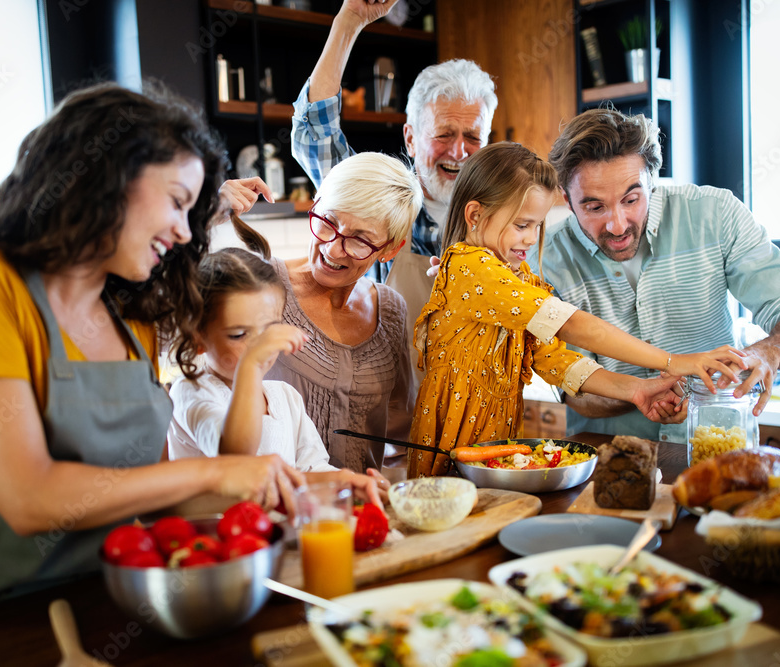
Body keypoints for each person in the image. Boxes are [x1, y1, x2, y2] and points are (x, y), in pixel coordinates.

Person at [0, 83, 304, 631]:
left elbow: (158, 502)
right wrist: (220, 471)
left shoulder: (133, 320)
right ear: (108, 177)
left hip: (92, 611)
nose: (181, 228)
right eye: (177, 201)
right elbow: (29, 497)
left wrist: (302, 488)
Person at [409, 142, 747, 478]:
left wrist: (636, 389)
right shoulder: (471, 267)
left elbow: (560, 363)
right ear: (475, 215)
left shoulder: (515, 279)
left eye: (537, 226)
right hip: (451, 442)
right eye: (522, 225)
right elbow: (571, 326)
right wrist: (675, 362)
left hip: (494, 449)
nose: (530, 238)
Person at [529, 108, 780, 443]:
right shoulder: (545, 260)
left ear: (652, 182)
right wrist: (639, 392)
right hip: (612, 460)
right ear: (567, 200)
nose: (618, 224)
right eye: (595, 207)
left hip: (715, 448)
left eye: (631, 199)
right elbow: (572, 386)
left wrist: (769, 351)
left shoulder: (715, 214)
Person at [291, 0, 497, 351]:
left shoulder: (503, 216)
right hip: (388, 394)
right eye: (444, 134)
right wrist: (350, 20)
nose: (459, 152)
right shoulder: (379, 200)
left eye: (473, 137)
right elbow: (316, 135)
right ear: (411, 138)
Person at [168, 242, 389, 505]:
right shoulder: (190, 391)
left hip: (274, 536)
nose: (260, 345)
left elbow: (308, 472)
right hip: (218, 538)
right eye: (239, 334)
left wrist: (349, 484)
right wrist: (250, 365)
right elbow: (235, 461)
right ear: (197, 338)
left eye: (269, 329)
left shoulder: (285, 397)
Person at [249, 152, 421, 473]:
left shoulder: (391, 310)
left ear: (390, 249)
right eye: (328, 222)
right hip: (272, 509)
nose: (331, 248)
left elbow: (400, 429)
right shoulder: (259, 283)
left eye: (359, 240)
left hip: (360, 510)